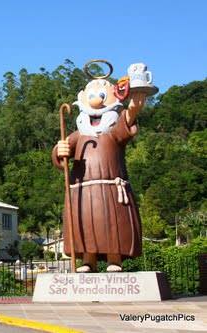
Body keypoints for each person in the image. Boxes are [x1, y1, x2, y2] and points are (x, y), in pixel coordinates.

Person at [52, 77, 147, 272]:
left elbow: (129, 118)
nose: (96, 101)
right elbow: (61, 158)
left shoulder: (114, 131)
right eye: (92, 96)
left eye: (102, 96)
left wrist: (136, 102)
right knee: (85, 224)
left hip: (110, 187)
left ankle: (114, 260)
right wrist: (59, 151)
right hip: (82, 190)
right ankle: (88, 260)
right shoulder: (78, 135)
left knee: (112, 224)